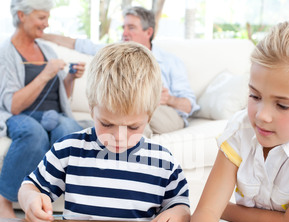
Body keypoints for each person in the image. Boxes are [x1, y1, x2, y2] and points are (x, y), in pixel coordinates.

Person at [178, 20, 289, 222]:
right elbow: (205, 213)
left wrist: (228, 211)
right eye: (255, 96)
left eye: (282, 105)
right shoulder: (241, 131)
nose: (261, 116)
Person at [18, 41, 191, 222]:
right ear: (92, 110)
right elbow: (31, 187)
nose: (118, 136)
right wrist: (31, 201)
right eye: (107, 123)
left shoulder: (163, 161)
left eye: (133, 127)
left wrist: (181, 214)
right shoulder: (69, 150)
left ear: (150, 116)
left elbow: (180, 202)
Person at [42, 6, 199, 136]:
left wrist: (168, 99)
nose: (125, 33)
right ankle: (71, 126)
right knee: (107, 122)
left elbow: (188, 106)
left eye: (131, 28)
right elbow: (83, 45)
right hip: (128, 108)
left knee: (134, 122)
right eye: (123, 27)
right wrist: (42, 35)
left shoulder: (171, 61)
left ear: (148, 32)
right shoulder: (116, 52)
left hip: (164, 112)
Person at [0, 0, 85, 219]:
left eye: (47, 17)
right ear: (21, 15)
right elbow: (13, 105)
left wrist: (70, 78)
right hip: (21, 116)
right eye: (41, 17)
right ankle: (4, 201)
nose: (46, 24)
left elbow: (62, 98)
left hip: (54, 115)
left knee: (69, 130)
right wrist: (46, 73)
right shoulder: (6, 53)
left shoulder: (46, 49)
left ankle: (78, 204)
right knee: (33, 133)